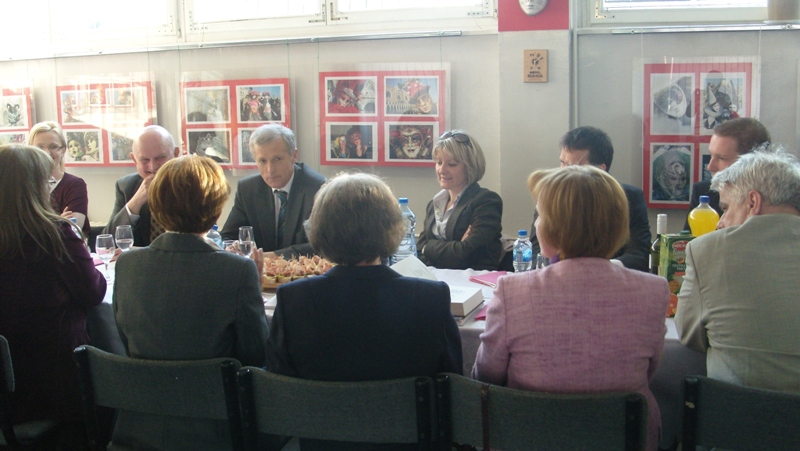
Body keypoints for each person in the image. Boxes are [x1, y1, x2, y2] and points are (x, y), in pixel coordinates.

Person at [473, 165, 669, 451]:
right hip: (625, 438)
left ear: (554, 229)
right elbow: (647, 372)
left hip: (530, 439)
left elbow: (486, 376)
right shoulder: (654, 290)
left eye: (540, 216)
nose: (537, 225)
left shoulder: (512, 291)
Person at [266, 172, 462, 451]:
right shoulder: (430, 297)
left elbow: (279, 388)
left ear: (320, 230)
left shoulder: (292, 299)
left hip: (324, 444)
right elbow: (452, 386)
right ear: (391, 228)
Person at [112, 155, 270, 450]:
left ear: (156, 206)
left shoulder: (128, 264)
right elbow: (255, 354)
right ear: (217, 208)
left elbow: (126, 339)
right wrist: (254, 294)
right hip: (217, 428)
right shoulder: (237, 270)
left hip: (139, 424)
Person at [0, 144, 106, 447]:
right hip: (53, 389)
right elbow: (94, 292)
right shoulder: (55, 234)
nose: (51, 188)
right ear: (33, 187)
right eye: (47, 181)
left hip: (8, 393)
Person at [675, 148, 800, 393]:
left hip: (737, 410)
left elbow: (690, 335)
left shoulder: (706, 250)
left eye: (726, 208)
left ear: (753, 202)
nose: (720, 223)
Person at [530, 126, 651, 271]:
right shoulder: (550, 196)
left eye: (572, 166)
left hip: (612, 279)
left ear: (600, 170)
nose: (563, 171)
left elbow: (638, 257)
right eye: (563, 162)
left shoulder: (630, 198)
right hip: (555, 276)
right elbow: (536, 251)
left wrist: (593, 270)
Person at [221, 124, 326, 258]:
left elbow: (323, 245)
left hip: (304, 270)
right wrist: (232, 247)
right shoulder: (248, 189)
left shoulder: (317, 188)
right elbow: (227, 236)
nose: (270, 169)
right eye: (262, 161)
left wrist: (271, 256)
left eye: (277, 159)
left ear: (294, 155)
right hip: (259, 269)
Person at [416, 130, 503, 270]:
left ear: (470, 167)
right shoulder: (434, 204)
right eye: (439, 163)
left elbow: (467, 254)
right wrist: (455, 248)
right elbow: (420, 248)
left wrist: (429, 247)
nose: (442, 170)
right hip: (436, 276)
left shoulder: (486, 201)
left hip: (473, 278)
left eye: (452, 164)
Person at [684, 117, 771, 229]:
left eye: (721, 158)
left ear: (751, 162)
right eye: (711, 155)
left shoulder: (777, 199)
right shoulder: (704, 191)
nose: (710, 166)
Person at [103, 125, 181, 246]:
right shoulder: (126, 187)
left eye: (160, 157)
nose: (152, 166)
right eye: (144, 160)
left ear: (175, 154)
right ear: (134, 159)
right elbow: (108, 243)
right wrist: (137, 200)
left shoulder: (193, 184)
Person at [28, 121, 92, 236]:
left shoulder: (75, 185)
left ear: (63, 150)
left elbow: (73, 229)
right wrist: (59, 221)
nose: (46, 153)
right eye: (39, 147)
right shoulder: (24, 185)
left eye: (53, 147)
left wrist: (38, 224)